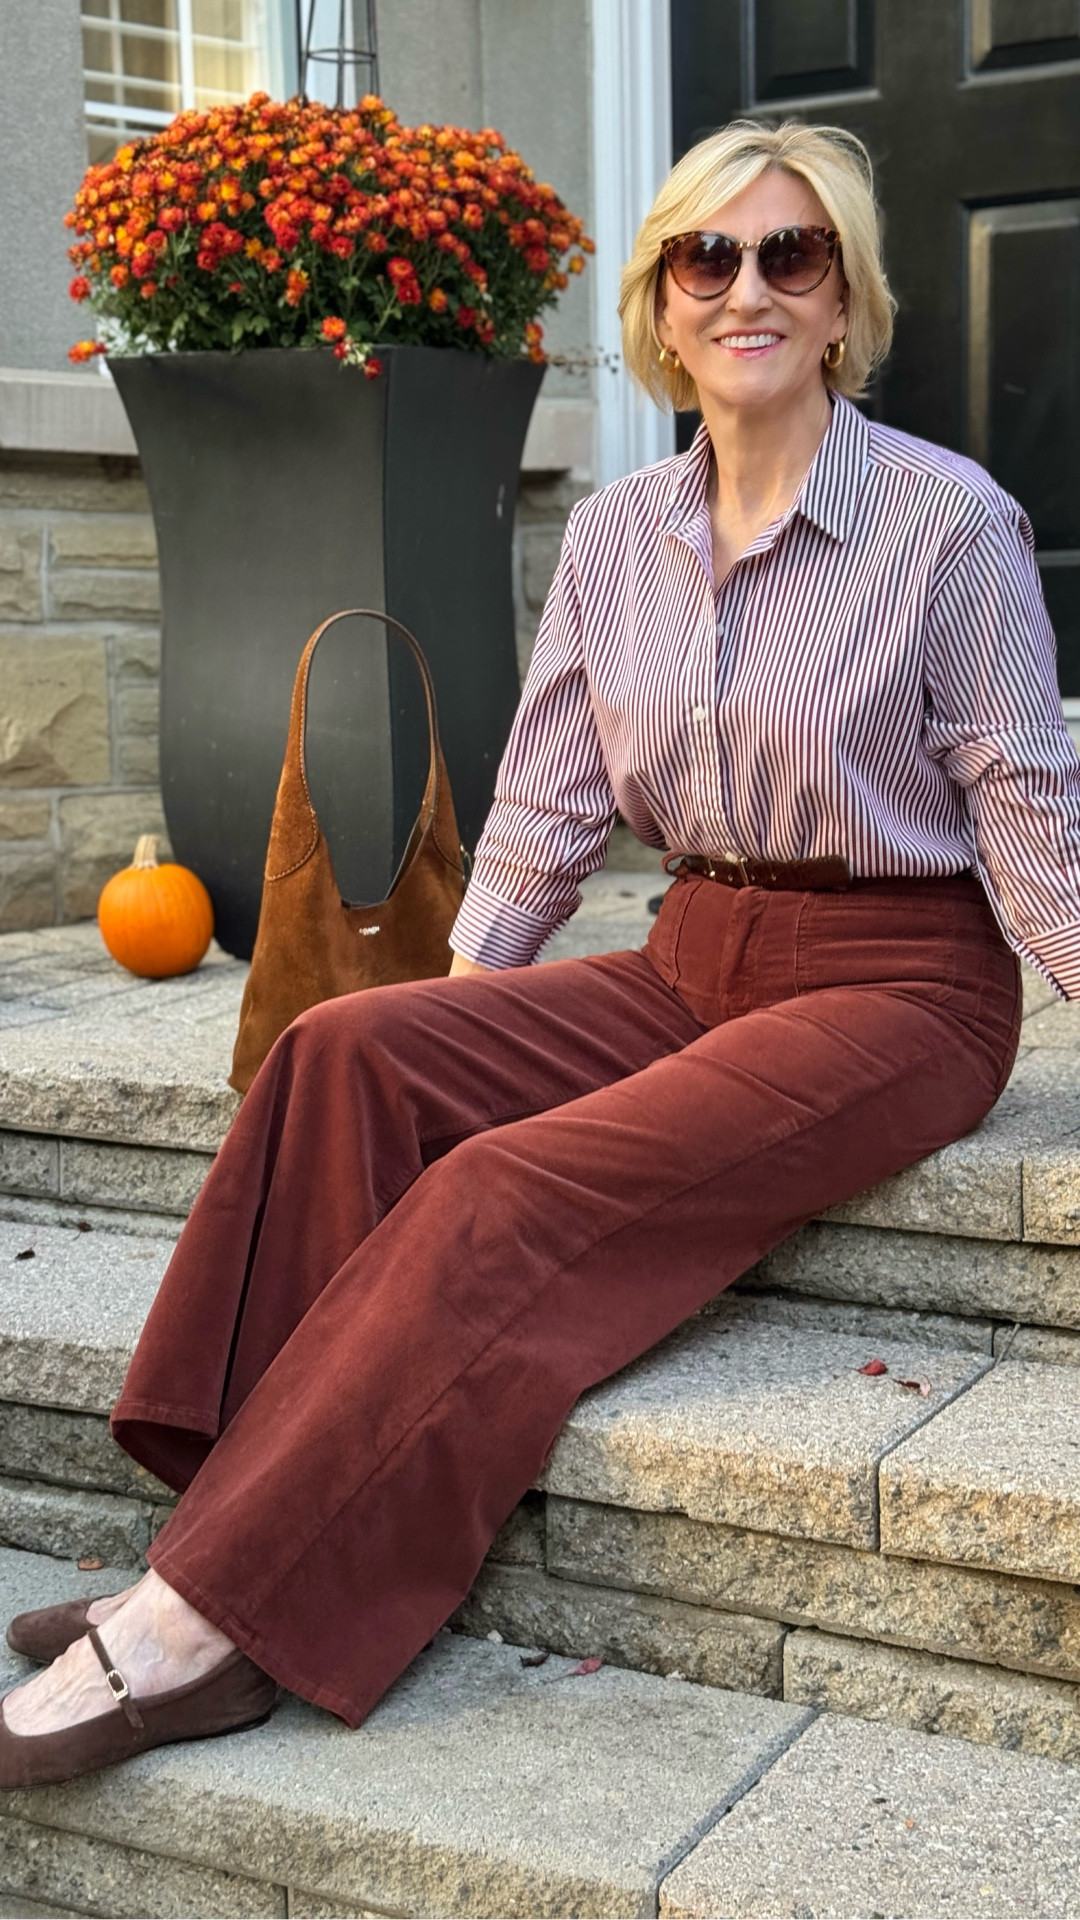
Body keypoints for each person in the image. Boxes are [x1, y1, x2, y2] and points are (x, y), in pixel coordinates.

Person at [4, 115, 1078, 1787]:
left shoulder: (952, 531)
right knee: (341, 1053)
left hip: (899, 984)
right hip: (691, 946)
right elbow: (546, 813)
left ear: (847, 303)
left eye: (790, 255)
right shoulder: (614, 536)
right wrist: (455, 1017)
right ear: (659, 307)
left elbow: (1030, 819)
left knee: (503, 1191)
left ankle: (204, 1627)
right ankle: (236, 1518)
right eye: (705, 257)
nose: (746, 289)